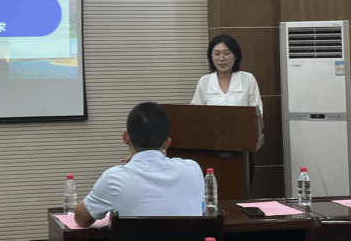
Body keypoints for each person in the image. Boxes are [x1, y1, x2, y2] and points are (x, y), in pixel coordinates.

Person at [74, 102, 204, 227]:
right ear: (167, 143)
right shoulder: (192, 170)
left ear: (125, 138)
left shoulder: (114, 178)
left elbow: (80, 219)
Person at [190, 34, 263, 117]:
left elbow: (258, 113)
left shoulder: (248, 79)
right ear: (211, 57)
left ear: (235, 56)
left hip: (242, 125)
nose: (221, 59)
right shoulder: (204, 81)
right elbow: (195, 113)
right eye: (216, 54)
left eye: (226, 53)